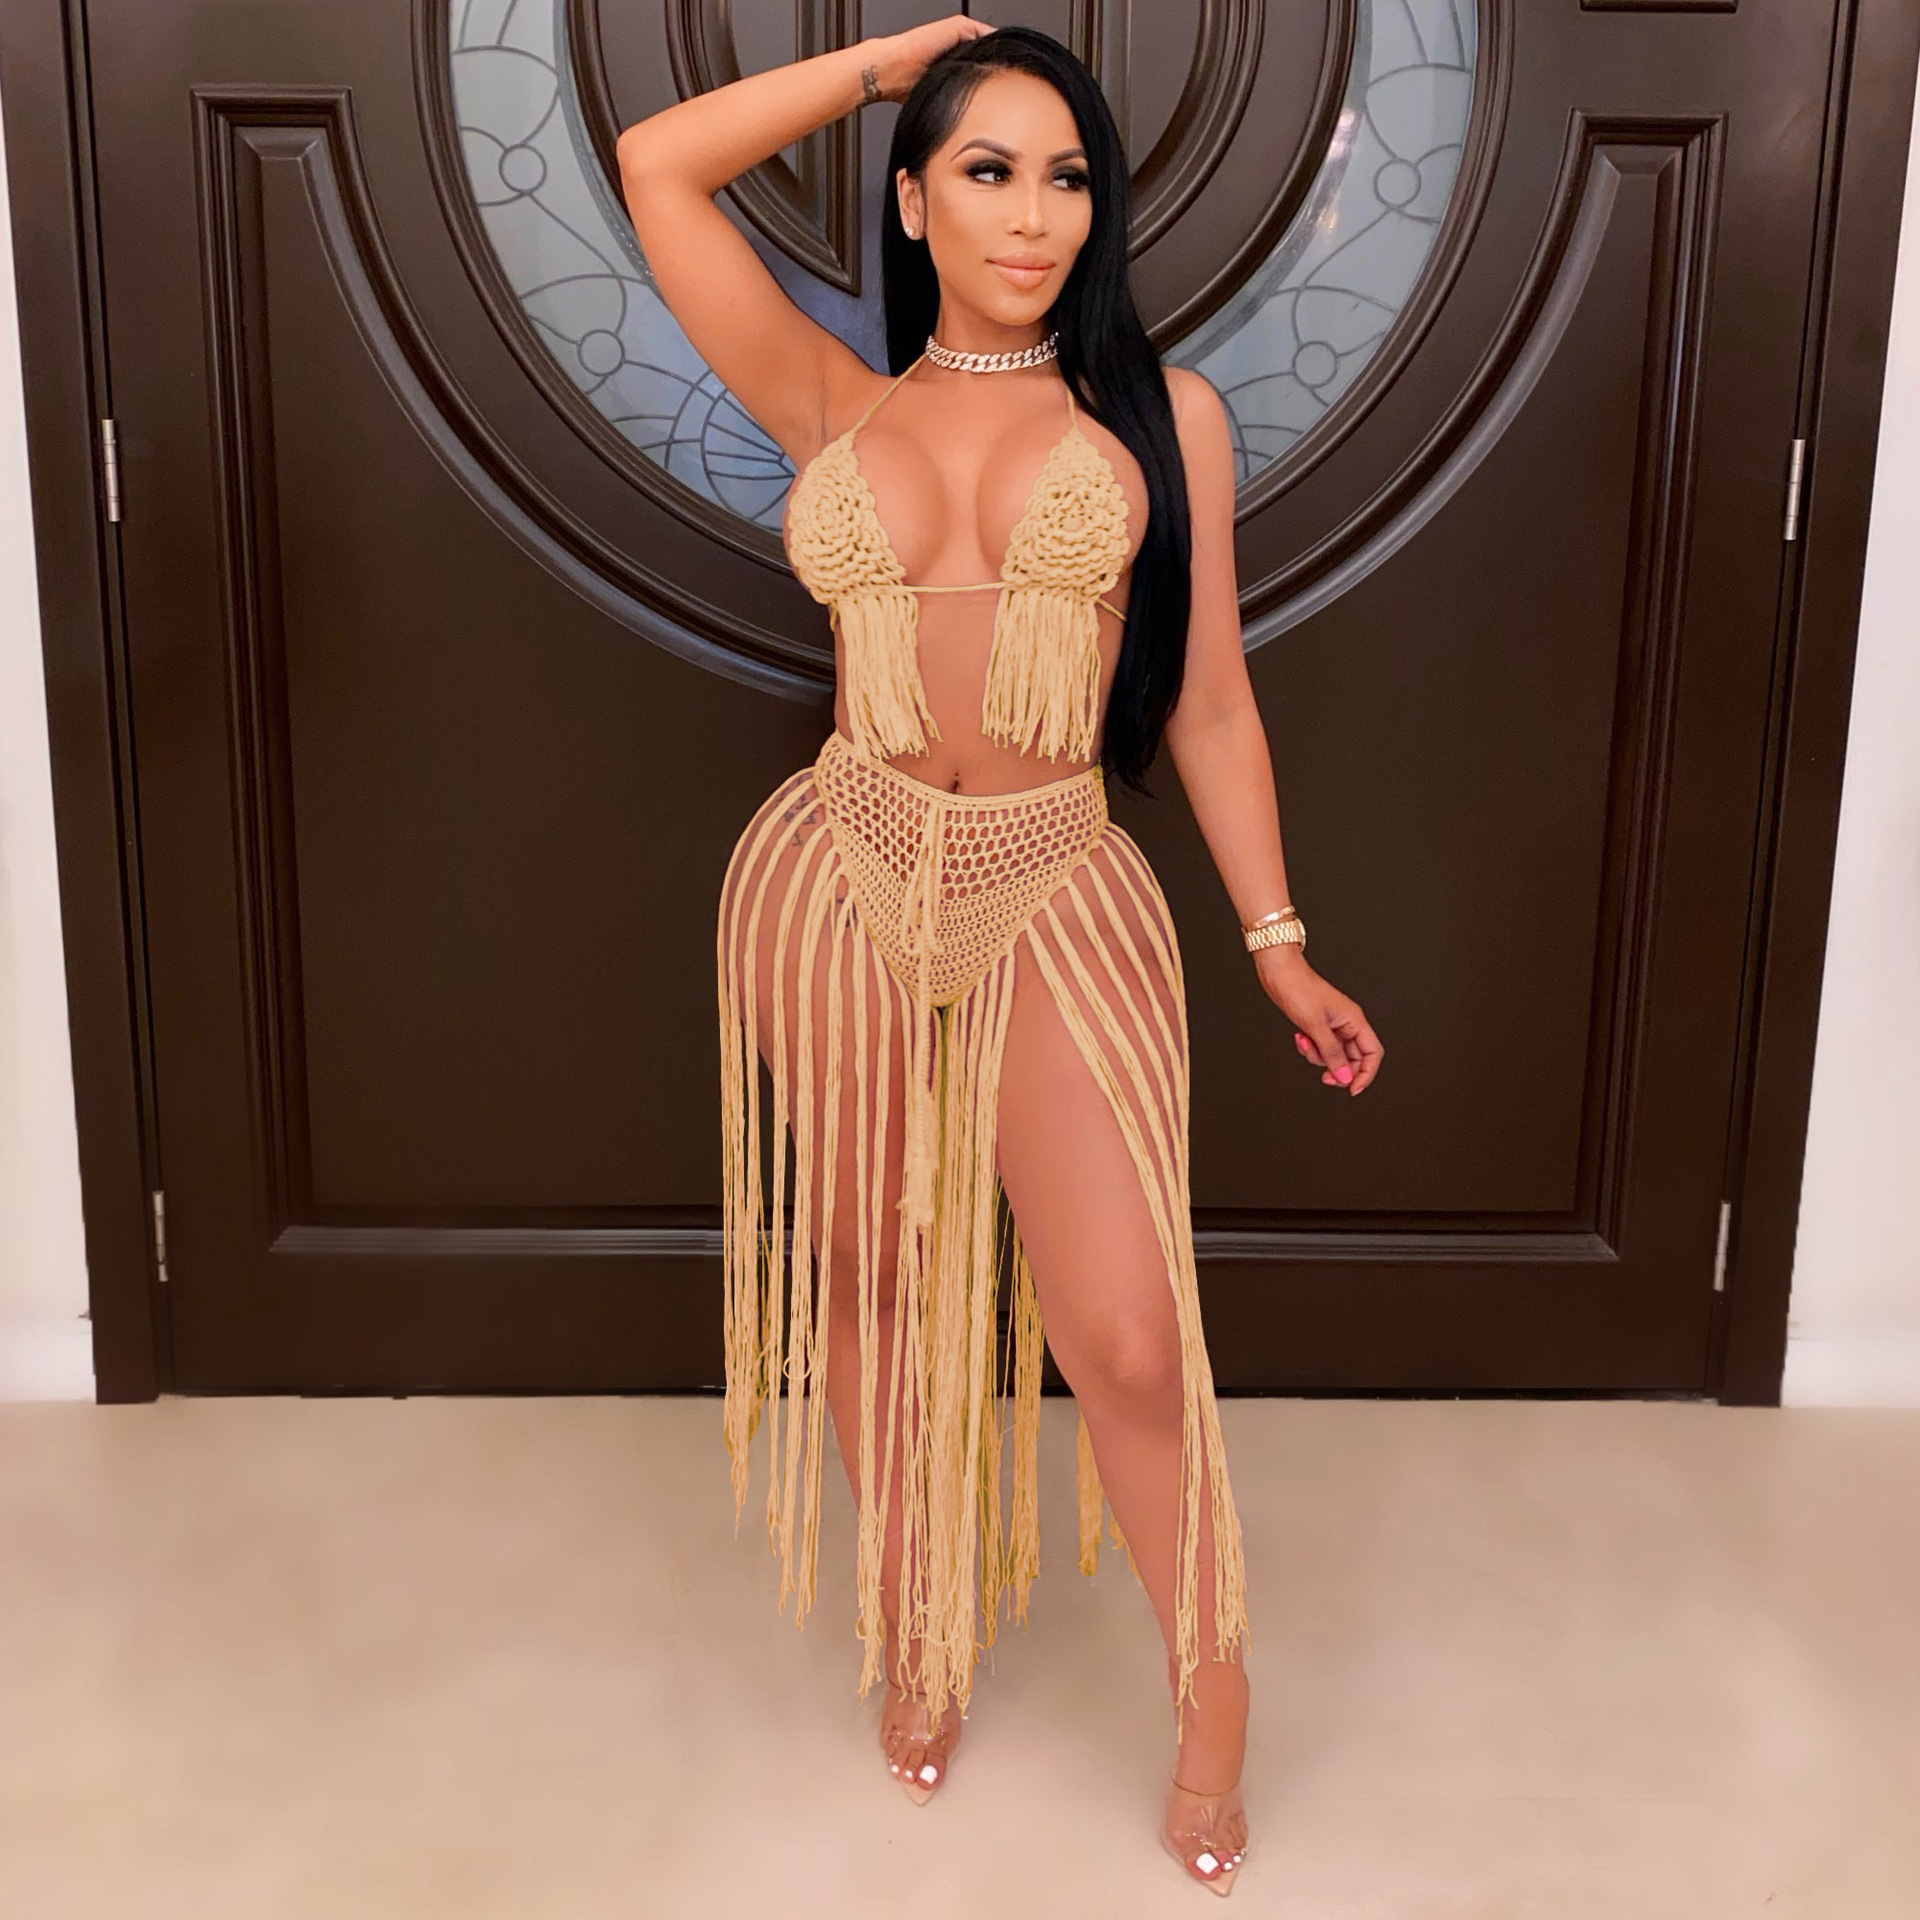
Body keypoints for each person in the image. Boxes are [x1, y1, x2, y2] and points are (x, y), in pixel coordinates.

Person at [616, 19, 1383, 1895]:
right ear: (913, 201)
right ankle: (917, 1622)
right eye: (987, 169)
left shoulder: (1161, 421)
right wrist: (891, 59)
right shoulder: (830, 399)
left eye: (1066, 178)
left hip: (1055, 875)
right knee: (875, 1272)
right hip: (842, 868)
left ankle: (1214, 1696)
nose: (1035, 215)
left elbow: (1207, 701)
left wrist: (1279, 944)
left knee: (1121, 1331)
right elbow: (656, 164)